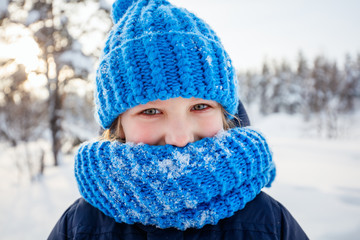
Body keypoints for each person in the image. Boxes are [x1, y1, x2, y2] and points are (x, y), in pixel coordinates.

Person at [48, 0, 308, 239]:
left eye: (200, 106)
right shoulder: (80, 225)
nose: (180, 137)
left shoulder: (270, 221)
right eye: (151, 111)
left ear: (225, 114)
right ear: (119, 126)